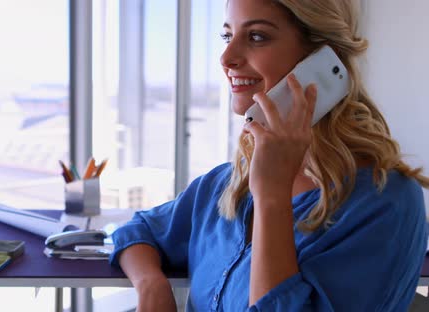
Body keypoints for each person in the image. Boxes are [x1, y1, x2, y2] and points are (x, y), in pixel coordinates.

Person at [108, 0, 429, 311]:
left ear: (320, 57)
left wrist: (272, 196)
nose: (226, 57)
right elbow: (139, 231)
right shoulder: (228, 183)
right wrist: (152, 286)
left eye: (257, 36)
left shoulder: (386, 203)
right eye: (227, 35)